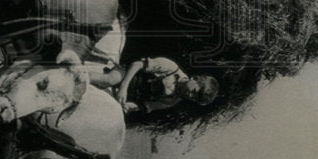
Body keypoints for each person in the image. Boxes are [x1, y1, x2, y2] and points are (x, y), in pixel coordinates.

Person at [88, 56, 219, 115]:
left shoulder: (173, 100)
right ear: (194, 79)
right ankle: (77, 75)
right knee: (109, 80)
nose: (190, 95)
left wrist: (128, 106)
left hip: (128, 96)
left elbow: (145, 106)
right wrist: (123, 87)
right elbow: (137, 64)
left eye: (193, 98)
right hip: (127, 76)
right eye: (194, 91)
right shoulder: (171, 68)